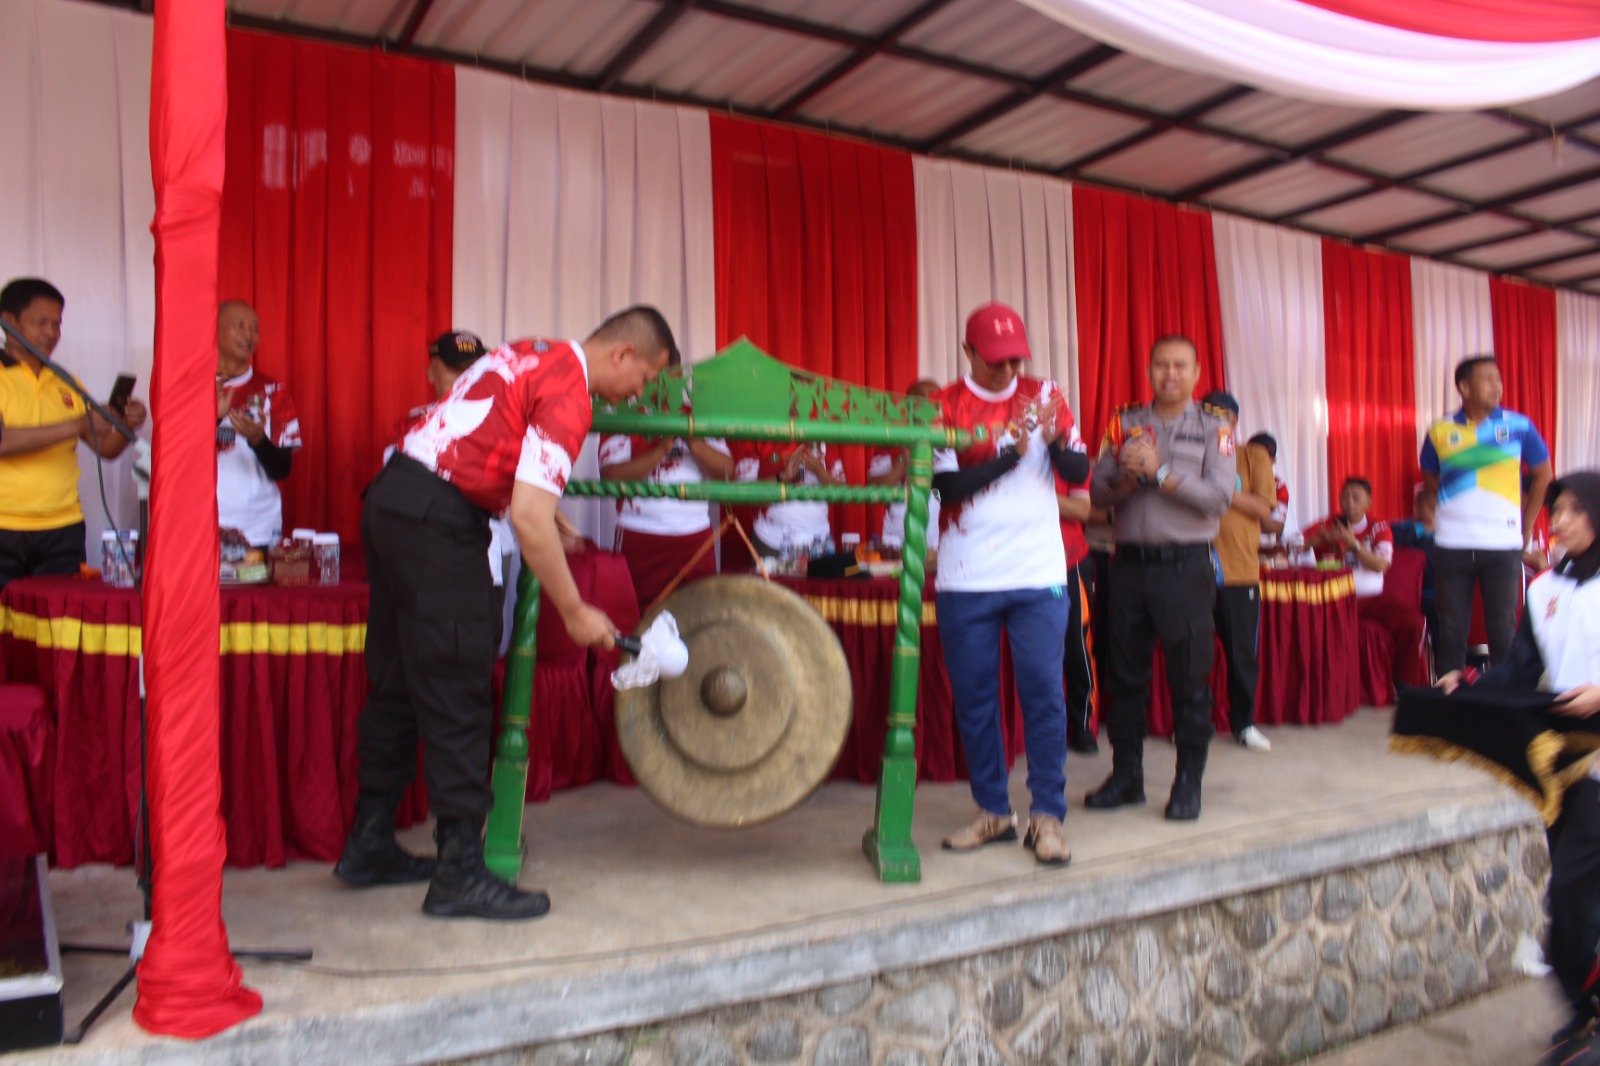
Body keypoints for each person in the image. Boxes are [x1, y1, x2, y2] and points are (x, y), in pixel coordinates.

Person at [335, 305, 673, 921]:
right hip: (438, 524)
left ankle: (370, 842)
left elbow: (488, 450)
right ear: (623, 354)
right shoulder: (571, 393)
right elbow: (528, 518)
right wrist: (575, 610)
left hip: (395, 501)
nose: (639, 393)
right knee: (459, 694)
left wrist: (538, 510)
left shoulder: (531, 350)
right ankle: (460, 874)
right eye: (645, 378)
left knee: (398, 685)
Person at [1433, 473, 1600, 1062]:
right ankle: (1587, 1012)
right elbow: (1520, 670)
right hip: (1565, 767)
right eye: (1556, 510)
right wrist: (1468, 685)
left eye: (1575, 510)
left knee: (1573, 894)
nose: (1559, 521)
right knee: (1580, 895)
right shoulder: (1544, 589)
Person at [934, 302, 1089, 866]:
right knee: (976, 698)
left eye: (1015, 360)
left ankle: (1047, 816)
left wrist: (1056, 440)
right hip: (967, 574)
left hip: (1037, 571)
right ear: (968, 352)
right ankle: (993, 812)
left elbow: (1078, 474)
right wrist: (1009, 455)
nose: (1007, 372)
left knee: (1044, 693)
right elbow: (946, 489)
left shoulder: (1045, 394)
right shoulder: (943, 405)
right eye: (995, 361)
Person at [1087, 336, 1234, 821]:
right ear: (1149, 369)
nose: (1169, 374)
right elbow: (1098, 494)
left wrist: (1161, 470)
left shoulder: (1216, 428)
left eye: (1180, 366)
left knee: (1189, 680)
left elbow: (1218, 499)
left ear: (1196, 372)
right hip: (1128, 566)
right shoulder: (1124, 422)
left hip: (1185, 568)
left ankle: (1188, 781)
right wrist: (1130, 478)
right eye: (1161, 365)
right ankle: (1126, 776)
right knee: (1125, 677)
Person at [0, 277, 147, 588]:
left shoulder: (65, 381)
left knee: (59, 617)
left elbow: (106, 449)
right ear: (8, 321)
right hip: (4, 526)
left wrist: (126, 424)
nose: (51, 333)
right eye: (41, 322)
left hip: (63, 528)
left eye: (57, 324)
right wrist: (77, 424)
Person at [1420, 355, 1552, 674]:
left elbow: (1544, 474)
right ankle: (1452, 696)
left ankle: (1501, 697)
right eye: (1488, 379)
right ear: (1465, 388)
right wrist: (1456, 502)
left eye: (1498, 378)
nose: (1497, 385)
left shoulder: (1519, 426)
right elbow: (1431, 477)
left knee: (1503, 629)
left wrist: (1527, 523)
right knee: (1451, 629)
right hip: (1452, 544)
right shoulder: (1440, 429)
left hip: (1502, 543)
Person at [599, 347, 732, 613]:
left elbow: (728, 471)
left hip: (695, 534)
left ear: (680, 376)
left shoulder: (697, 413)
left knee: (699, 620)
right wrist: (661, 449)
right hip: (640, 534)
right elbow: (611, 475)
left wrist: (694, 441)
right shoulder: (624, 411)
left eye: (671, 375)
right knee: (638, 620)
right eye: (656, 375)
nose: (663, 382)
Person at [1204, 391, 1275, 752]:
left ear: (1235, 422)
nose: (1217, 424)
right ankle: (1194, 723)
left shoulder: (1252, 456)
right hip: (1194, 568)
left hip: (1238, 569)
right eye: (1209, 417)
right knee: (1193, 655)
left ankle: (1243, 724)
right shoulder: (1191, 454)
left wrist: (1221, 491)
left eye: (1224, 418)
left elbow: (1263, 506)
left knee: (1241, 653)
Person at [215, 301, 301, 548]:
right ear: (214, 330)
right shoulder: (192, 390)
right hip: (200, 524)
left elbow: (282, 469)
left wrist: (258, 440)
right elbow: (176, 458)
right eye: (240, 325)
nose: (249, 335)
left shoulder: (274, 392)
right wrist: (212, 420)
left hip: (257, 528)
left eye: (255, 328)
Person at [735, 441, 845, 560]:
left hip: (818, 541)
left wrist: (820, 472)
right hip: (771, 540)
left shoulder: (826, 443)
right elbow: (743, 492)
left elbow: (842, 493)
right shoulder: (764, 440)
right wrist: (784, 476)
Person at [868, 378, 942, 554]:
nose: (927, 402)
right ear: (908, 404)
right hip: (897, 533)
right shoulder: (890, 439)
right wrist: (903, 459)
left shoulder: (949, 437)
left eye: (934, 398)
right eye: (921, 398)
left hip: (941, 533)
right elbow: (875, 491)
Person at [1057, 469, 1098, 755]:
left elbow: (1082, 510)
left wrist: (1037, 495)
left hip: (1069, 562)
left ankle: (1081, 725)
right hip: (1022, 562)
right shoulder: (1006, 452)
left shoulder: (1069, 455)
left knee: (1078, 646)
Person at [1303, 477, 1393, 600]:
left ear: (1368, 502)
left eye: (1356, 498)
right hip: (1331, 594)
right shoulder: (1327, 524)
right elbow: (1291, 547)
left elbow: (1381, 566)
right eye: (1345, 496)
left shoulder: (1379, 528)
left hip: (1367, 597)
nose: (1349, 502)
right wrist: (1322, 539)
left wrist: (1353, 544)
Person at [1391, 485, 1439, 658]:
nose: (1432, 512)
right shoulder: (1401, 529)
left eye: (1434, 508)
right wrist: (1420, 531)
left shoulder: (1447, 533)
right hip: (1406, 595)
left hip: (1435, 594)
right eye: (1427, 506)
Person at [1248, 431, 1288, 549]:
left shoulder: (1279, 486)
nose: (1258, 463)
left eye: (1264, 459)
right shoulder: (1235, 479)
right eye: (1253, 457)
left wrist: (1256, 503)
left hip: (1264, 550)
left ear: (1273, 461)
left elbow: (1277, 528)